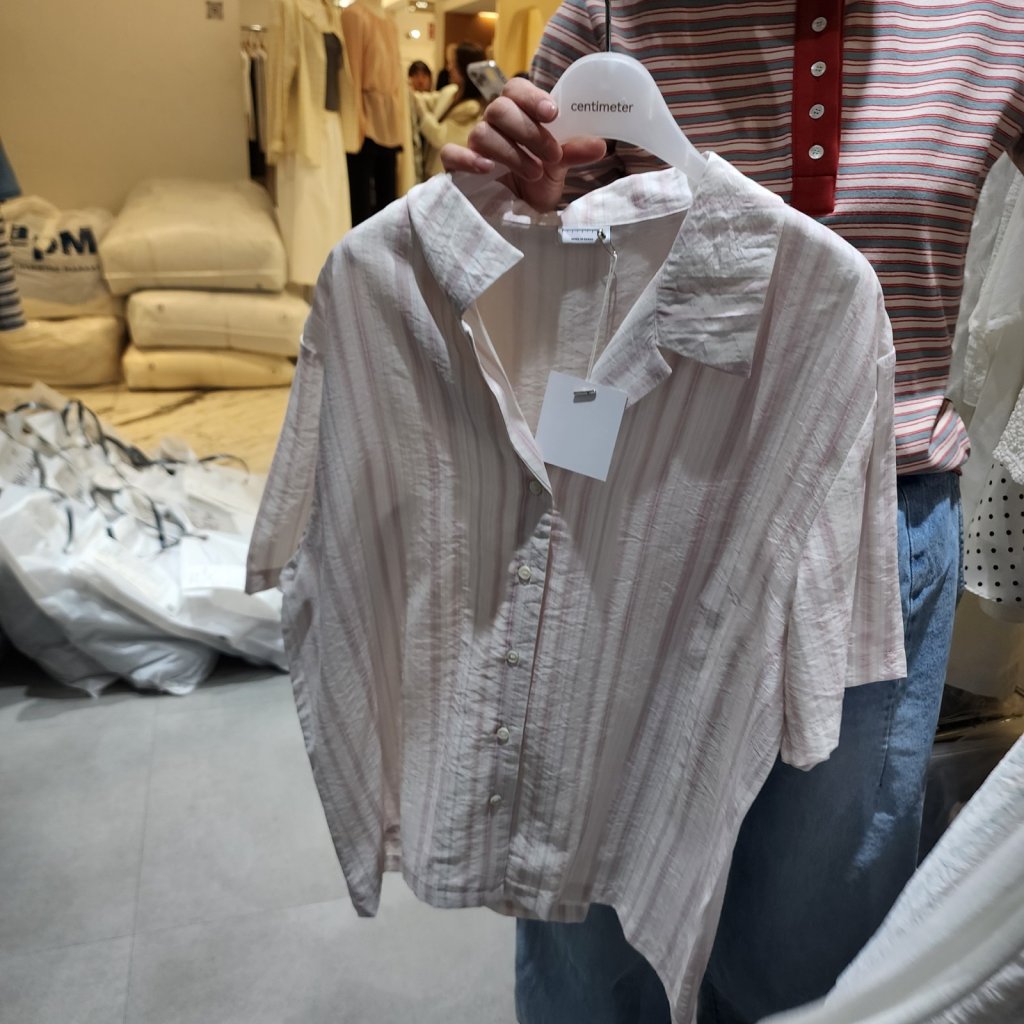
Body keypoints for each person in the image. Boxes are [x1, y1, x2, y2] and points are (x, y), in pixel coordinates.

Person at [440, 3, 1024, 1023]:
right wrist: (515, 208)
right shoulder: (611, 14)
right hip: (631, 510)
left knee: (815, 934)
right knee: (596, 916)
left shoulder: (993, 20)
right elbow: (521, 274)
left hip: (874, 527)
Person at [413, 42, 489, 179]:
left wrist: (421, 111)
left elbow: (440, 136)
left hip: (445, 174)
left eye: (453, 64)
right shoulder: (451, 91)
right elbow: (430, 99)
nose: (449, 68)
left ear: (464, 69)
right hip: (431, 168)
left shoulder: (472, 108)